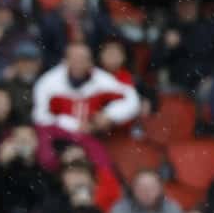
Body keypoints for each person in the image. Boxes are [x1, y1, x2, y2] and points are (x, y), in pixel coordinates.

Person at [31, 41, 139, 169]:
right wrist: (74, 125)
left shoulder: (102, 79)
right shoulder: (48, 82)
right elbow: (41, 117)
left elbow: (131, 100)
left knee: (103, 164)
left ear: (90, 61)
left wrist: (109, 115)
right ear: (65, 60)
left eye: (83, 59)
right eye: (74, 58)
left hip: (91, 135)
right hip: (56, 134)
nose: (79, 63)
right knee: (46, 159)